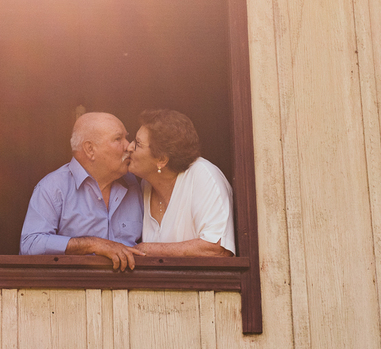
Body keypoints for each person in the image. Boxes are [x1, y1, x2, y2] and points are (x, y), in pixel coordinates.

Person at [19, 112, 146, 270]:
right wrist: (93, 244)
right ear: (90, 149)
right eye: (118, 139)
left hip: (133, 290)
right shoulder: (53, 187)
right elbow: (30, 245)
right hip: (72, 290)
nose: (128, 145)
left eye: (126, 137)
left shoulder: (134, 184)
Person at [126, 109, 235, 256]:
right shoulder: (146, 184)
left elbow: (216, 249)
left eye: (138, 144)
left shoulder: (203, 175)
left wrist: (147, 249)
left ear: (161, 159)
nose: (129, 147)